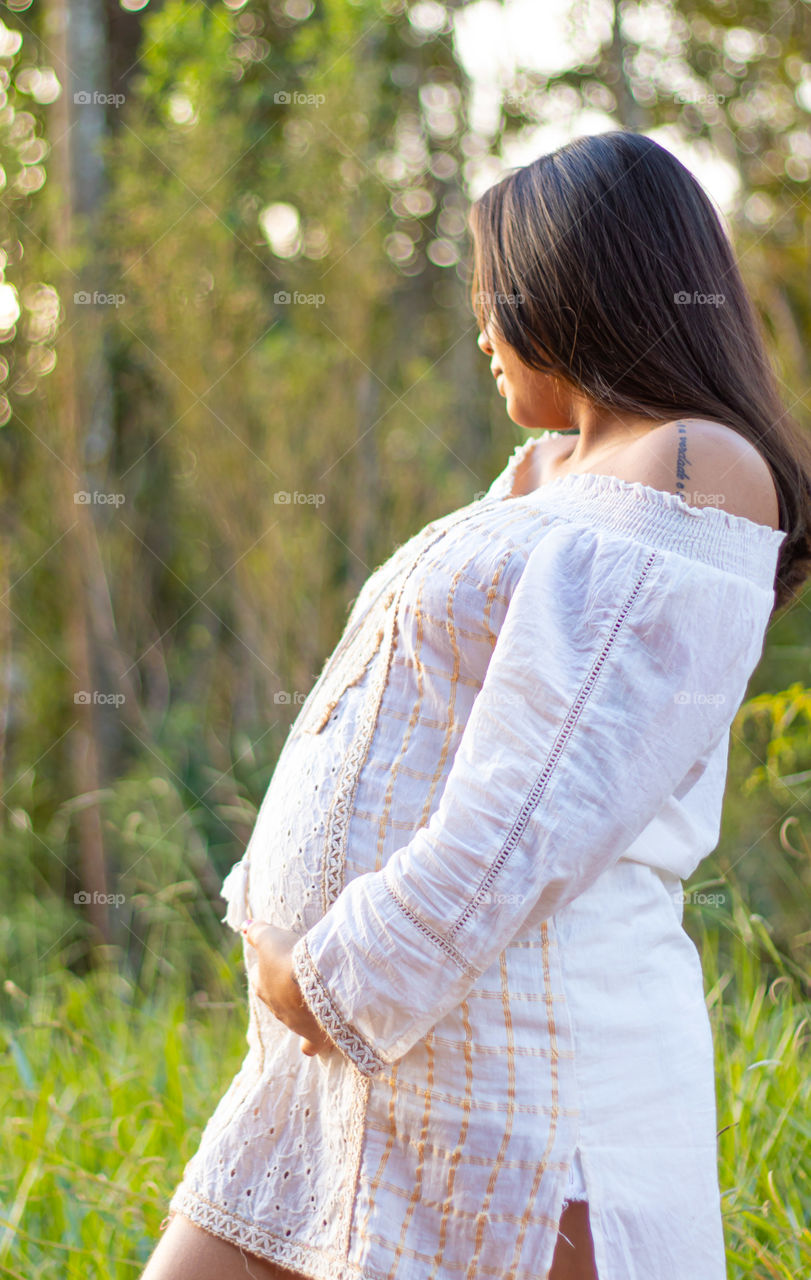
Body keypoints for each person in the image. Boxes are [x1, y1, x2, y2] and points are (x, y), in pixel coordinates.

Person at [141, 131, 811, 1280]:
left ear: (576, 288)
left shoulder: (696, 462)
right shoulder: (554, 468)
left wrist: (329, 974)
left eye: (494, 297)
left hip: (521, 1073)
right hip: (346, 1069)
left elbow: (538, 798)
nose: (482, 330)